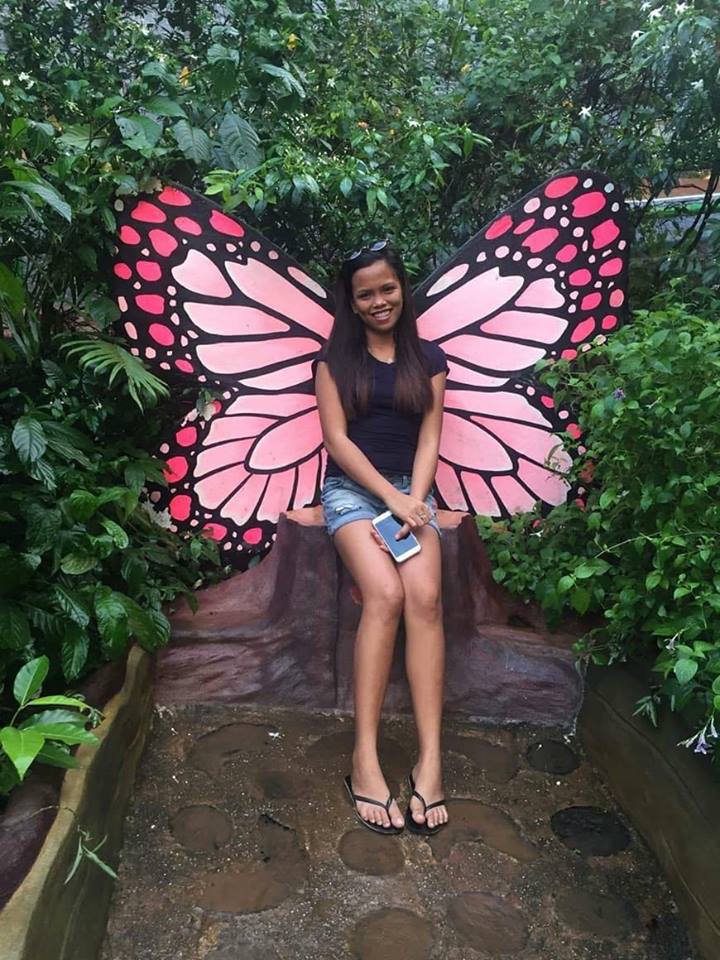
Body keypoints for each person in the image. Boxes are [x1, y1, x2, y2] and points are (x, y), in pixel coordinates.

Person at [313, 240, 449, 837]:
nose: (378, 301)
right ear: (351, 302)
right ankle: (364, 757)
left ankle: (430, 760)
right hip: (351, 493)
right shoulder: (332, 362)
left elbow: (429, 437)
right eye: (364, 294)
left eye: (387, 289)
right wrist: (391, 501)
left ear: (403, 289)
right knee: (386, 595)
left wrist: (413, 503)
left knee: (426, 598)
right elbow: (337, 441)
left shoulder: (430, 359)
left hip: (410, 494)